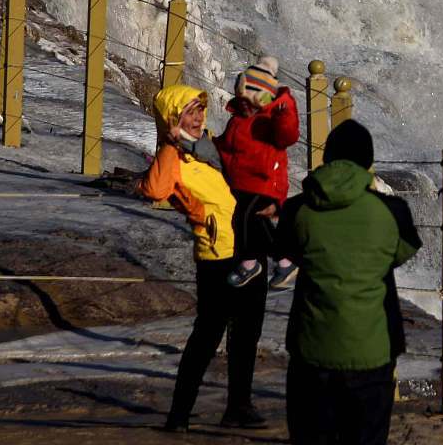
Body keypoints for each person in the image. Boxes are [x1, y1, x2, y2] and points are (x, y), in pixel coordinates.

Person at [276, 119, 422, 445]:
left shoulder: (297, 208)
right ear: (368, 163)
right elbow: (401, 252)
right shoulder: (392, 211)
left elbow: (287, 250)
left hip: (312, 351)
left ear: (326, 158)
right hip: (372, 350)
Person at [136, 83, 268, 433]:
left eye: (198, 110)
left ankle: (238, 407)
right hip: (217, 253)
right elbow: (155, 190)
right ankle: (179, 415)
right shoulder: (173, 155)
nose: (196, 118)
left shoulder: (212, 145)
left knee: (247, 333)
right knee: (207, 336)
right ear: (172, 119)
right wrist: (170, 144)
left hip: (249, 247)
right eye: (188, 112)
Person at [214, 57, 301, 290]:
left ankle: (252, 263)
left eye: (250, 101)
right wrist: (209, 146)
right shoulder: (238, 120)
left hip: (265, 182)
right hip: (242, 183)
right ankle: (282, 262)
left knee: (244, 221)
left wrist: (284, 110)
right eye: (241, 99)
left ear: (263, 99)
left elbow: (288, 135)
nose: (244, 105)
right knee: (254, 224)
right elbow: (227, 147)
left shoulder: (272, 119)